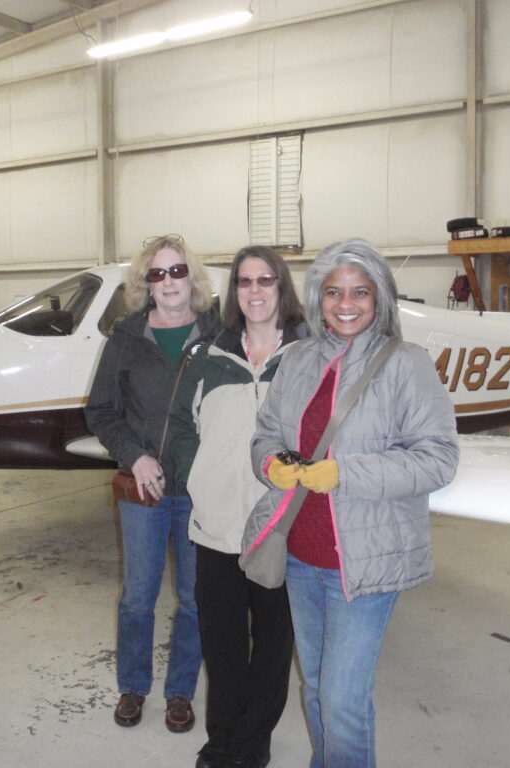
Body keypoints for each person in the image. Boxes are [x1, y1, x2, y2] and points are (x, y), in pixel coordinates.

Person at [241, 238, 460, 768]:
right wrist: (270, 463)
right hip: (300, 558)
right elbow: (266, 433)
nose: (346, 303)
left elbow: (439, 459)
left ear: (379, 297)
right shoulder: (298, 361)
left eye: (360, 292)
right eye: (334, 291)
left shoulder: (407, 365)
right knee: (316, 688)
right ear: (318, 298)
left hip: (364, 562)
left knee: (342, 702)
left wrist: (344, 473)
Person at [170, 246, 306, 768]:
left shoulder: (306, 357)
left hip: (278, 528)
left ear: (281, 288)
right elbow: (180, 425)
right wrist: (194, 475)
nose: (254, 291)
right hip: (217, 527)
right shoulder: (205, 356)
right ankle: (220, 740)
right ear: (235, 293)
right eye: (244, 282)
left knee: (272, 649)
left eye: (265, 281)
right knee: (222, 646)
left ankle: (252, 746)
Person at [85, 234, 218, 734]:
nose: (169, 282)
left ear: (193, 278)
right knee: (138, 595)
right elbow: (99, 410)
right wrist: (134, 455)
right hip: (144, 490)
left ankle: (180, 692)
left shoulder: (220, 337)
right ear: (146, 284)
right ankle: (133, 687)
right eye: (157, 274)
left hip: (198, 492)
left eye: (177, 271)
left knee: (195, 597)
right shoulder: (126, 337)